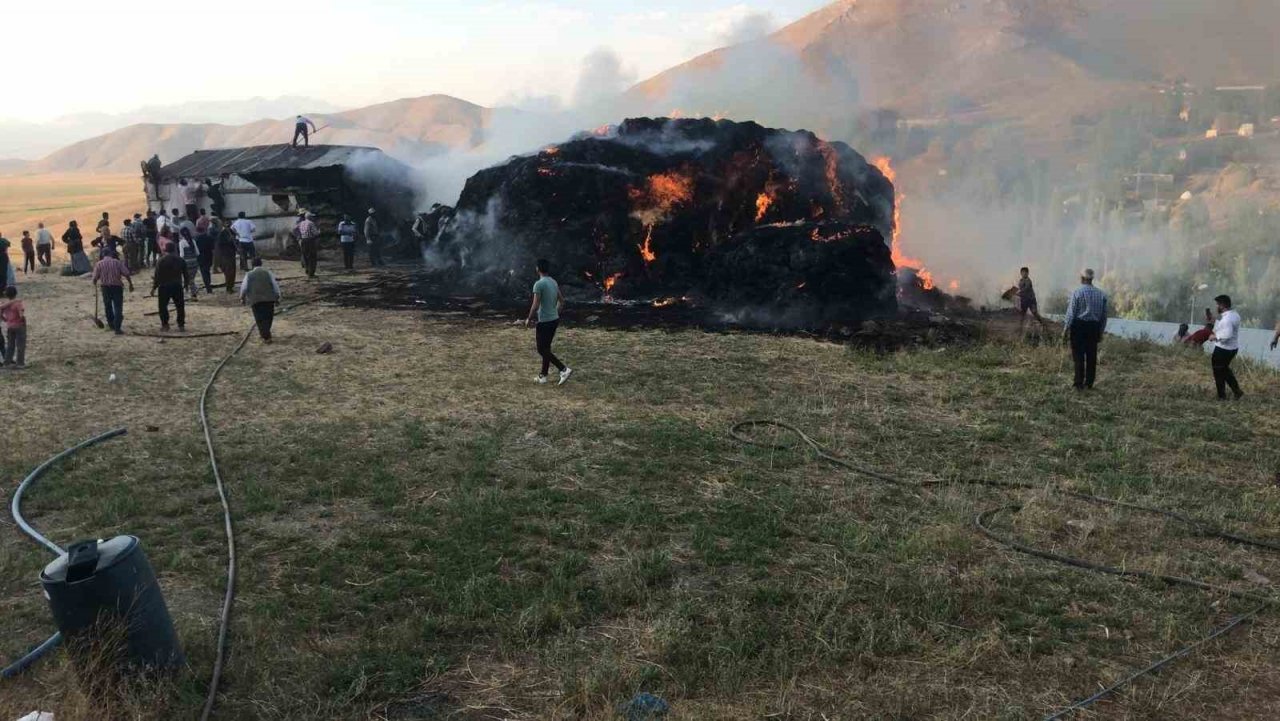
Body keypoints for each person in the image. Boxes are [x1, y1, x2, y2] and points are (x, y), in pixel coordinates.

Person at [524, 258, 573, 385]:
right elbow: (562, 301)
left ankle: (563, 369)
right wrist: (555, 312)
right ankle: (543, 376)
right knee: (546, 348)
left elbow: (535, 305)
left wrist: (529, 318)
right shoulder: (553, 282)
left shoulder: (538, 284)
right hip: (554, 320)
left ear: (537, 269)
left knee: (541, 349)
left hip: (545, 322)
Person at [1062, 268, 1108, 391]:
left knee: (1078, 356)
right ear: (1092, 279)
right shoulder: (1101, 294)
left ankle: (1078, 383)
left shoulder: (1077, 292)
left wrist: (1065, 329)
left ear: (1082, 278)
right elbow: (1104, 316)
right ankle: (1089, 383)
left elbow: (1071, 313)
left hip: (1079, 326)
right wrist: (1100, 332)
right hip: (1094, 327)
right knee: (1091, 356)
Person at [1208, 294, 1244, 401]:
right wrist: (1214, 321)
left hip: (1223, 349)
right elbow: (1224, 327)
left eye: (1218, 304)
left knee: (1218, 372)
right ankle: (1237, 391)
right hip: (1233, 348)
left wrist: (1214, 337)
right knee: (1225, 370)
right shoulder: (1235, 315)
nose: (1216, 307)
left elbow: (1227, 334)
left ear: (1223, 305)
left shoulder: (1227, 319)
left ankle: (1221, 397)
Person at [91, 247, 133, 334]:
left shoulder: (99, 264)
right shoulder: (117, 262)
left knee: (108, 306)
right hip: (117, 287)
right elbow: (127, 273)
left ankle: (111, 324)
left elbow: (94, 278)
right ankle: (117, 327)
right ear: (110, 254)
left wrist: (95, 283)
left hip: (105, 288)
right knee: (118, 307)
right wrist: (130, 284)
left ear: (103, 254)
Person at [240, 258, 281, 343]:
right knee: (268, 317)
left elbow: (244, 288)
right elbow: (275, 286)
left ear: (252, 265)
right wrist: (277, 297)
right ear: (261, 264)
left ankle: (265, 335)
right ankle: (266, 334)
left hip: (255, 300)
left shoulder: (249, 274)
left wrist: (242, 298)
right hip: (269, 299)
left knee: (259, 318)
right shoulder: (268, 273)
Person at [152, 245, 189, 332]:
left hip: (164, 286)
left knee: (162, 306)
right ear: (175, 249)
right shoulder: (180, 260)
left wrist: (154, 288)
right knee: (180, 306)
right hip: (177, 285)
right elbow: (186, 274)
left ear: (165, 250)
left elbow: (157, 276)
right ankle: (181, 325)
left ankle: (165, 324)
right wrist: (186, 284)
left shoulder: (161, 260)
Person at [1013, 267, 1048, 333]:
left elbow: (1025, 289)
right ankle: (1020, 329)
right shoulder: (1021, 281)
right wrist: (1014, 291)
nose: (1024, 274)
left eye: (1025, 273)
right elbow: (1019, 289)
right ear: (1021, 273)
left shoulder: (1028, 281)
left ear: (1028, 273)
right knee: (1022, 315)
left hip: (1031, 300)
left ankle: (1043, 325)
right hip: (1024, 300)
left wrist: (1017, 293)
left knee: (1035, 313)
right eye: (1022, 272)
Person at [0, 286, 27, 369]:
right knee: (20, 345)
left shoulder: (5, 305)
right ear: (16, 293)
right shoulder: (18, 303)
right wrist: (23, 320)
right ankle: (20, 363)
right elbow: (21, 314)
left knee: (10, 345)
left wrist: (5, 319)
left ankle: (7, 362)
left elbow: (0, 313)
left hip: (10, 326)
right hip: (19, 326)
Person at [215, 222, 239, 293]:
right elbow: (220, 245)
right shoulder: (222, 234)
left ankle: (231, 286)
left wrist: (235, 242)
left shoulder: (231, 232)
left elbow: (235, 243)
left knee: (232, 272)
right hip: (225, 256)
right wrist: (230, 240)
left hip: (231, 255)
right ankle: (229, 288)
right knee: (229, 272)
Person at [178, 227, 201, 300]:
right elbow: (197, 253)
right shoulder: (193, 241)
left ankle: (194, 294)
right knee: (191, 279)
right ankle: (193, 291)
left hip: (187, 263)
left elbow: (182, 255)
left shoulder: (181, 242)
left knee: (189, 280)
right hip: (194, 263)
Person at [196, 216, 216, 293]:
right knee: (207, 271)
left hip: (200, 256)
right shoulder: (209, 237)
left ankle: (208, 286)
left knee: (203, 272)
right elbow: (213, 249)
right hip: (208, 256)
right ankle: (208, 285)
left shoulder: (196, 239)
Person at [297, 212, 320, 277]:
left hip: (303, 240)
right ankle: (311, 273)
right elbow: (315, 233)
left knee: (305, 256)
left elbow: (296, 230)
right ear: (309, 217)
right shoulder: (311, 223)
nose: (313, 218)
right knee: (312, 257)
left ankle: (307, 270)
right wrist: (319, 232)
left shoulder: (301, 223)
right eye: (312, 216)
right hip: (310, 241)